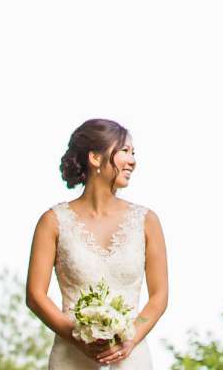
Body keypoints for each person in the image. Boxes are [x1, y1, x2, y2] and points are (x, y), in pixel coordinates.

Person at [28, 119, 171, 369]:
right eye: (124, 151)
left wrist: (131, 339)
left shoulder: (147, 221)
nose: (133, 161)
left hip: (131, 358)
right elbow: (35, 296)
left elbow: (159, 296)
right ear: (95, 157)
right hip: (70, 358)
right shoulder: (52, 222)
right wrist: (76, 338)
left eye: (133, 153)